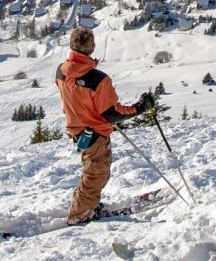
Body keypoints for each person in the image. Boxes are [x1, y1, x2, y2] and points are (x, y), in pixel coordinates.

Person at [55, 26, 154, 225]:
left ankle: (87, 203)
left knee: (93, 169)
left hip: (77, 128)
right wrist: (140, 108)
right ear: (91, 47)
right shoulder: (98, 79)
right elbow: (112, 113)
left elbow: (75, 97)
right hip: (95, 132)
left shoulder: (62, 71)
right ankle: (80, 213)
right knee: (96, 173)